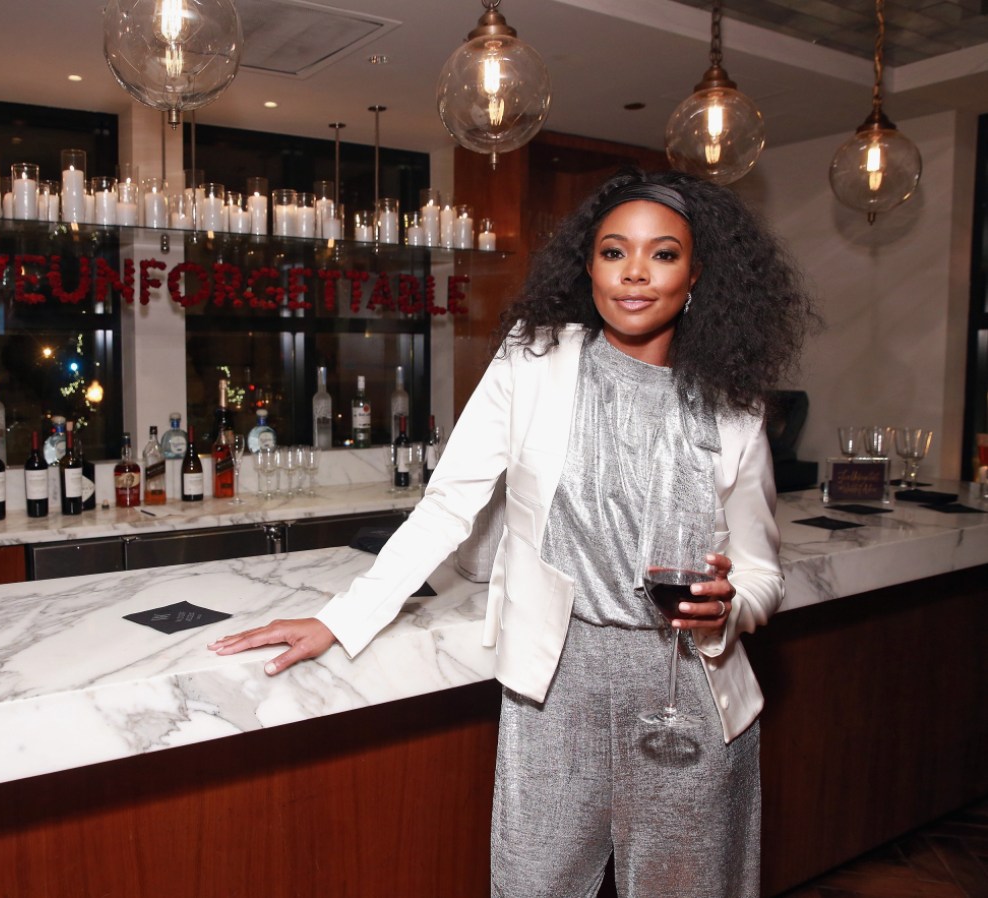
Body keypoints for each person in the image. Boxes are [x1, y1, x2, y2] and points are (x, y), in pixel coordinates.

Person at [209, 168, 816, 897]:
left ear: (697, 274)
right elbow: (446, 505)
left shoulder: (734, 409)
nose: (634, 274)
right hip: (557, 687)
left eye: (663, 254)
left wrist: (728, 609)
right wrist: (341, 619)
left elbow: (760, 575)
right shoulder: (533, 362)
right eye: (614, 251)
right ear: (587, 265)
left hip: (688, 694)